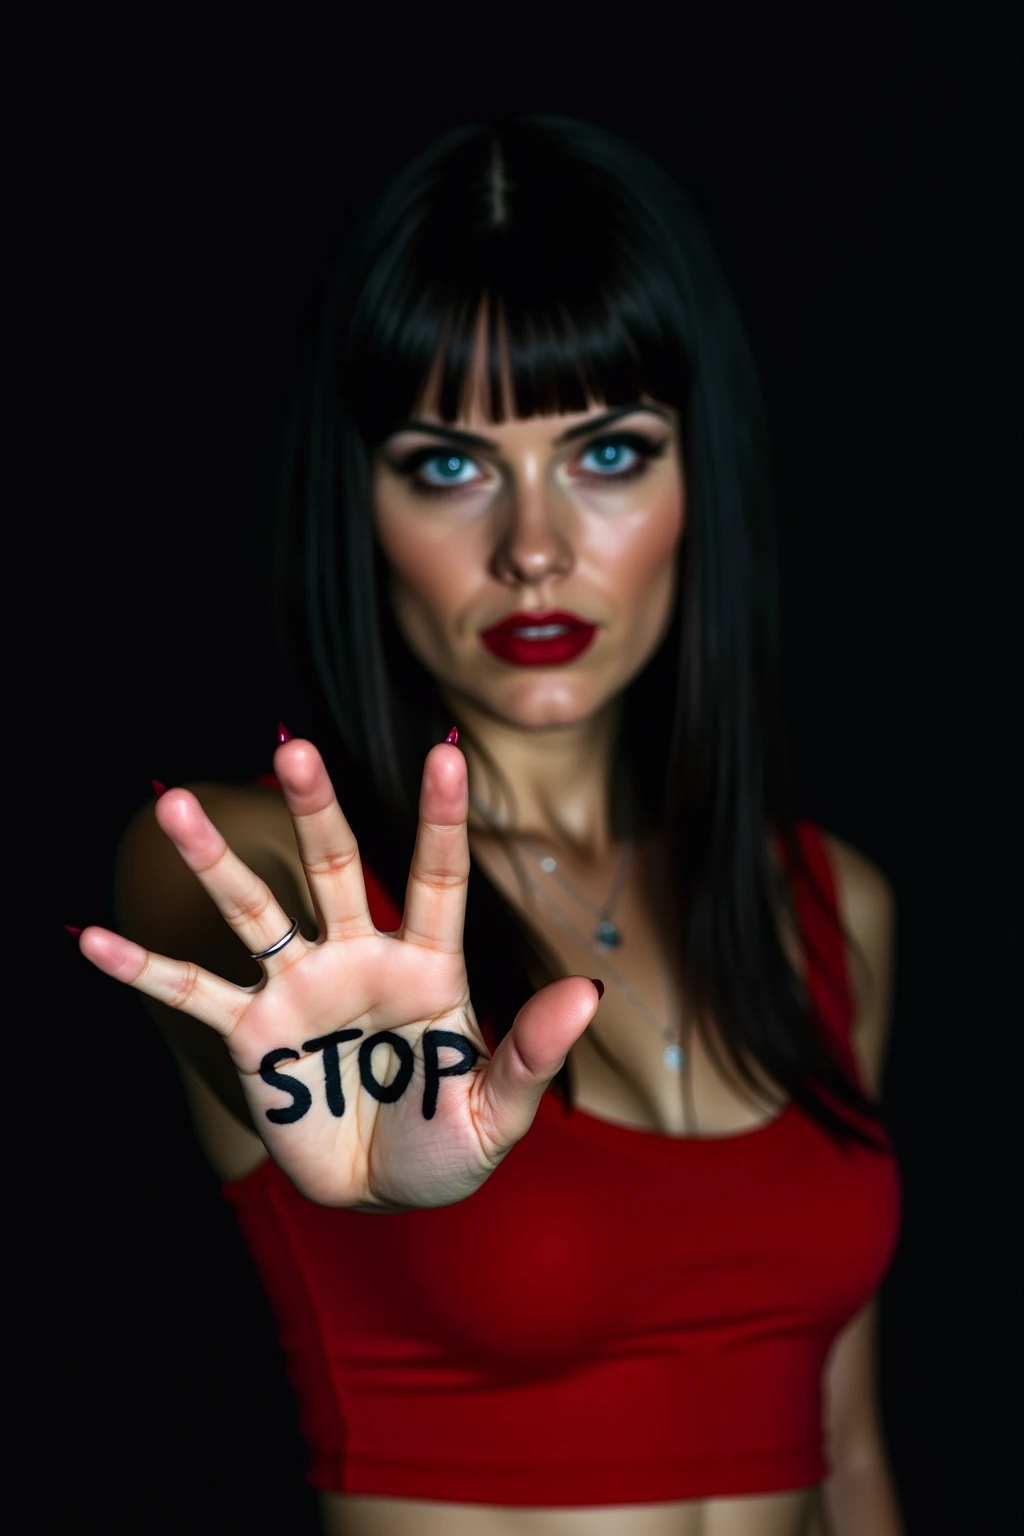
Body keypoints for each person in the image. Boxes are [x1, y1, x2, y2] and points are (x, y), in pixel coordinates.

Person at [74, 115, 903, 1535]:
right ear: (362, 499)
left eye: (609, 453)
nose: (533, 545)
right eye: (449, 465)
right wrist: (364, 1129)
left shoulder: (830, 906)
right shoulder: (250, 871)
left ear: (705, 476)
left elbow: (849, 1451)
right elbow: (218, 939)